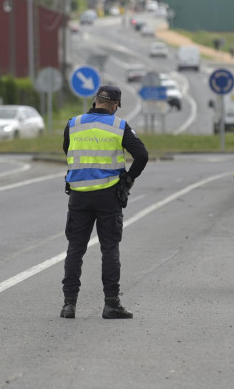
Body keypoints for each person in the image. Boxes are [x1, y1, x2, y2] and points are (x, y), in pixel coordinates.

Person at [60, 86, 148, 319]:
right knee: (109, 249)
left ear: (95, 101)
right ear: (116, 105)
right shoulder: (119, 126)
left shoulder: (74, 123)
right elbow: (142, 155)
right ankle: (111, 304)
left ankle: (69, 304)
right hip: (108, 196)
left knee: (75, 249)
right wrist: (128, 179)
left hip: (78, 195)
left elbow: (67, 151)